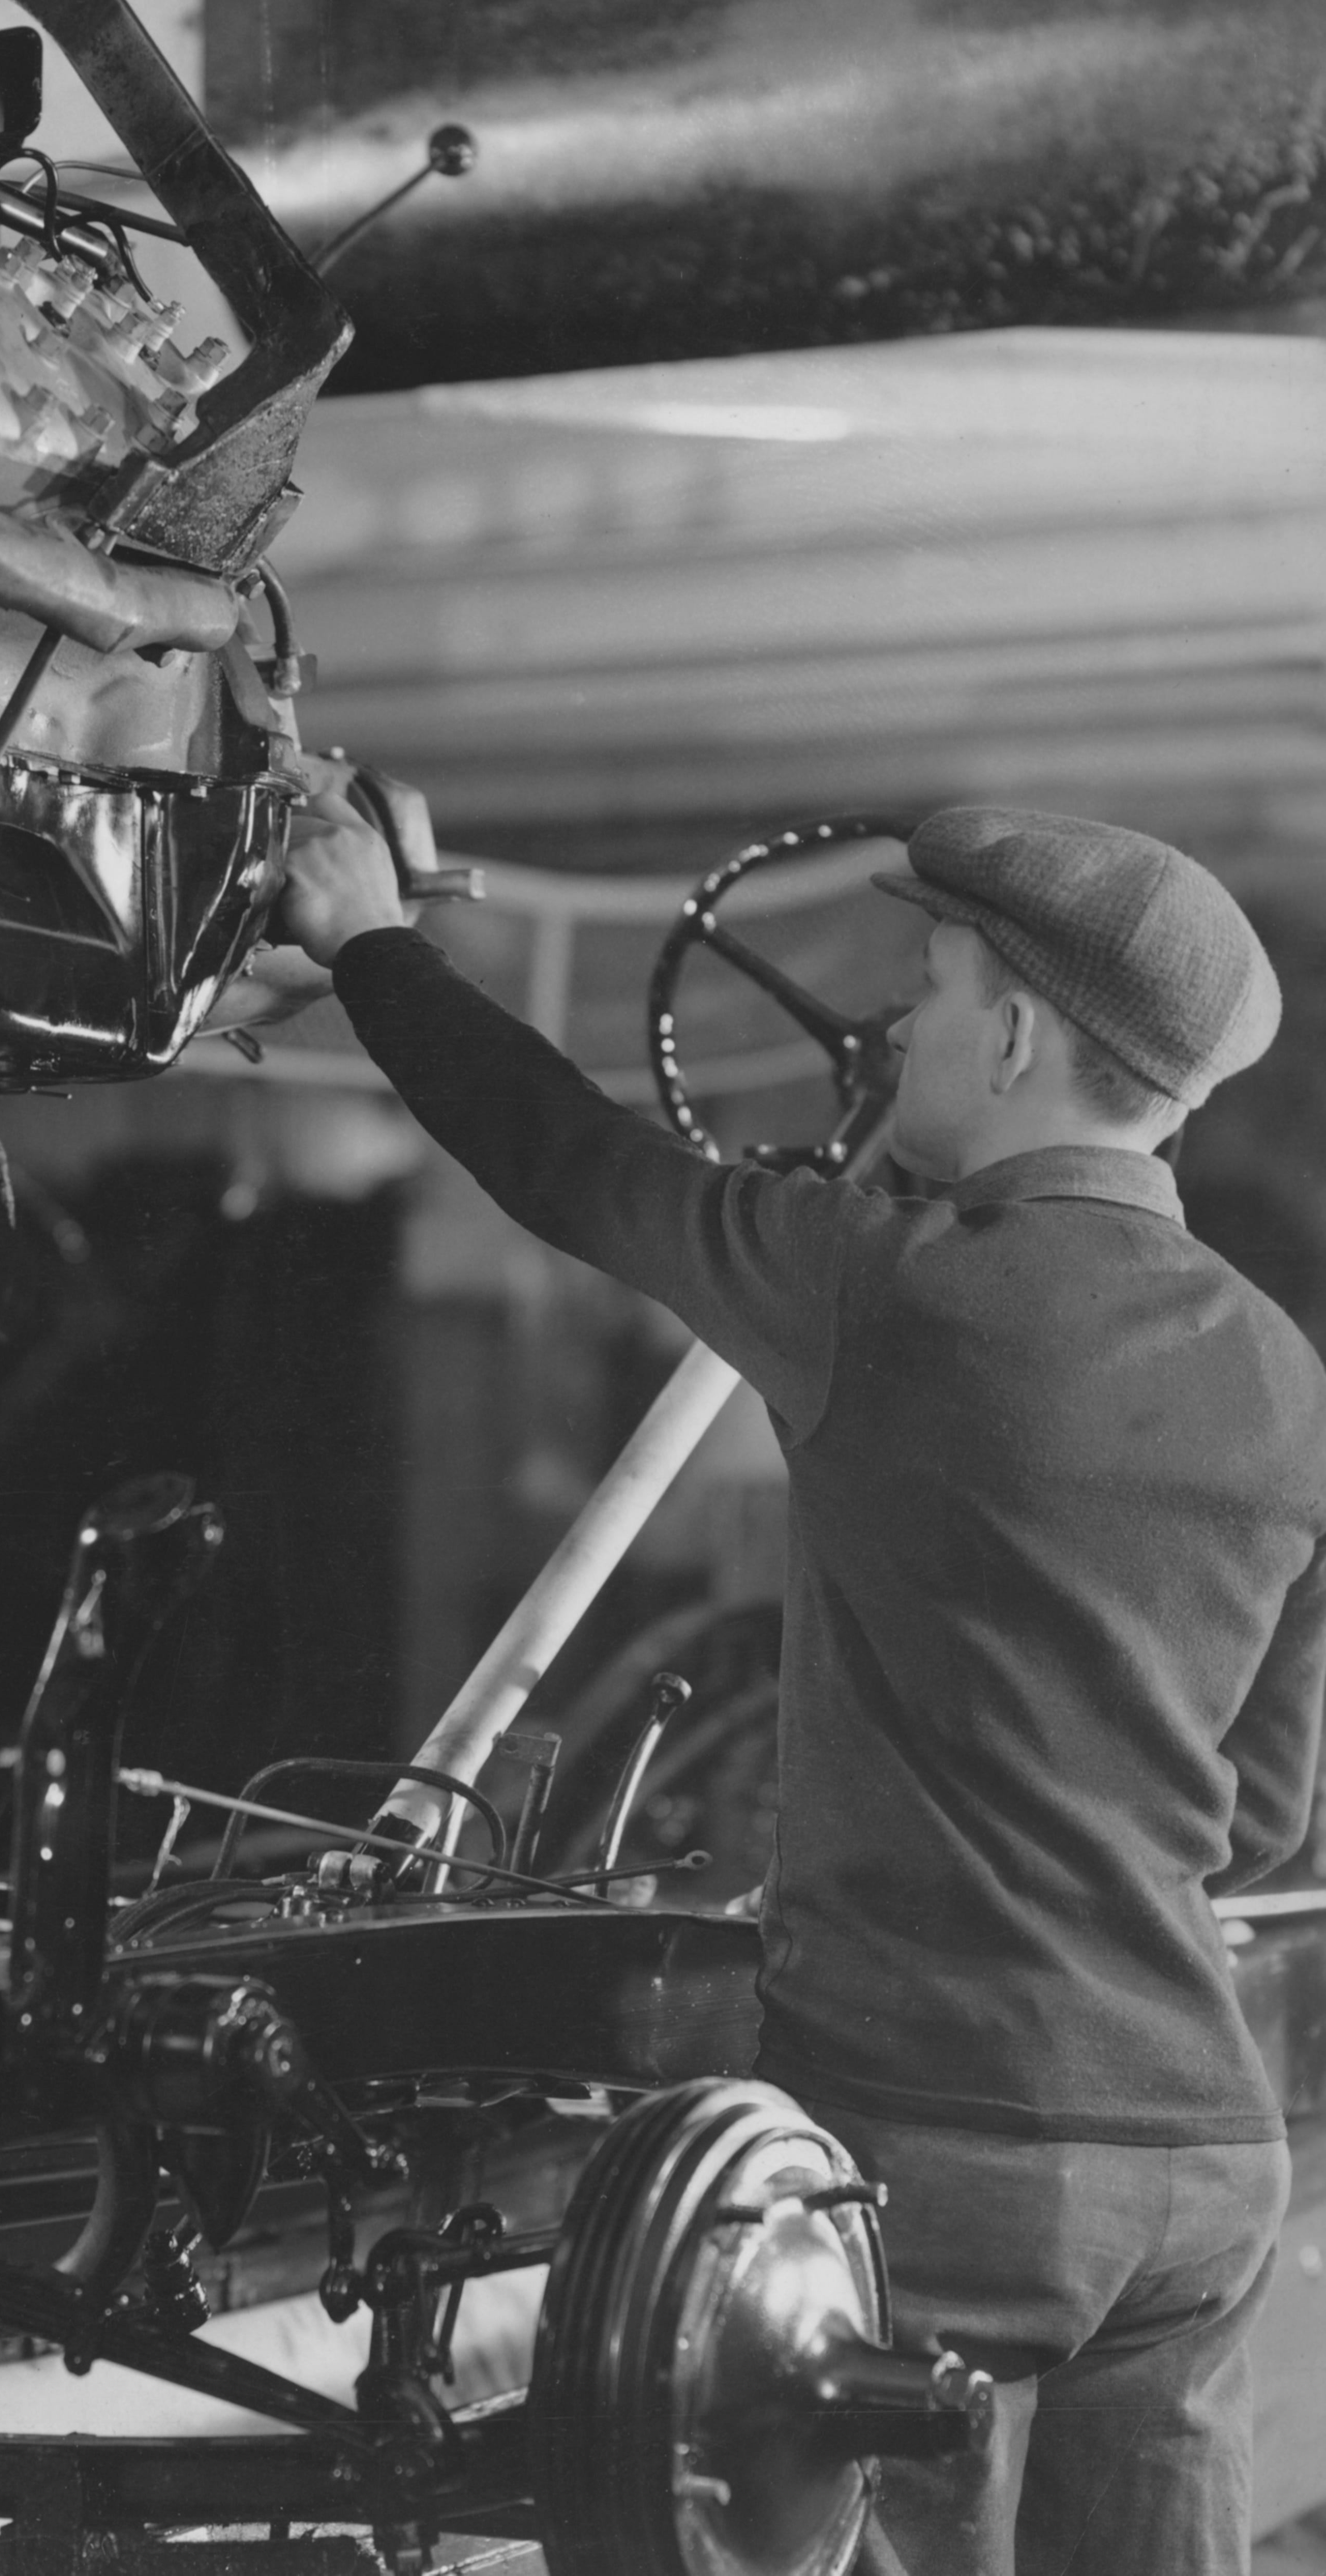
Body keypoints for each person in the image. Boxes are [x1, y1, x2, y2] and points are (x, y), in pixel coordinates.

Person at [277, 798, 1326, 2576]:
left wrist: (368, 942)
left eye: (930, 985)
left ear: (1013, 1035)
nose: (898, 1025)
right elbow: (1266, 1816)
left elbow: (569, 1163)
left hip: (936, 2150)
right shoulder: (1288, 1377)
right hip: (1203, 2163)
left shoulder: (884, 1283)